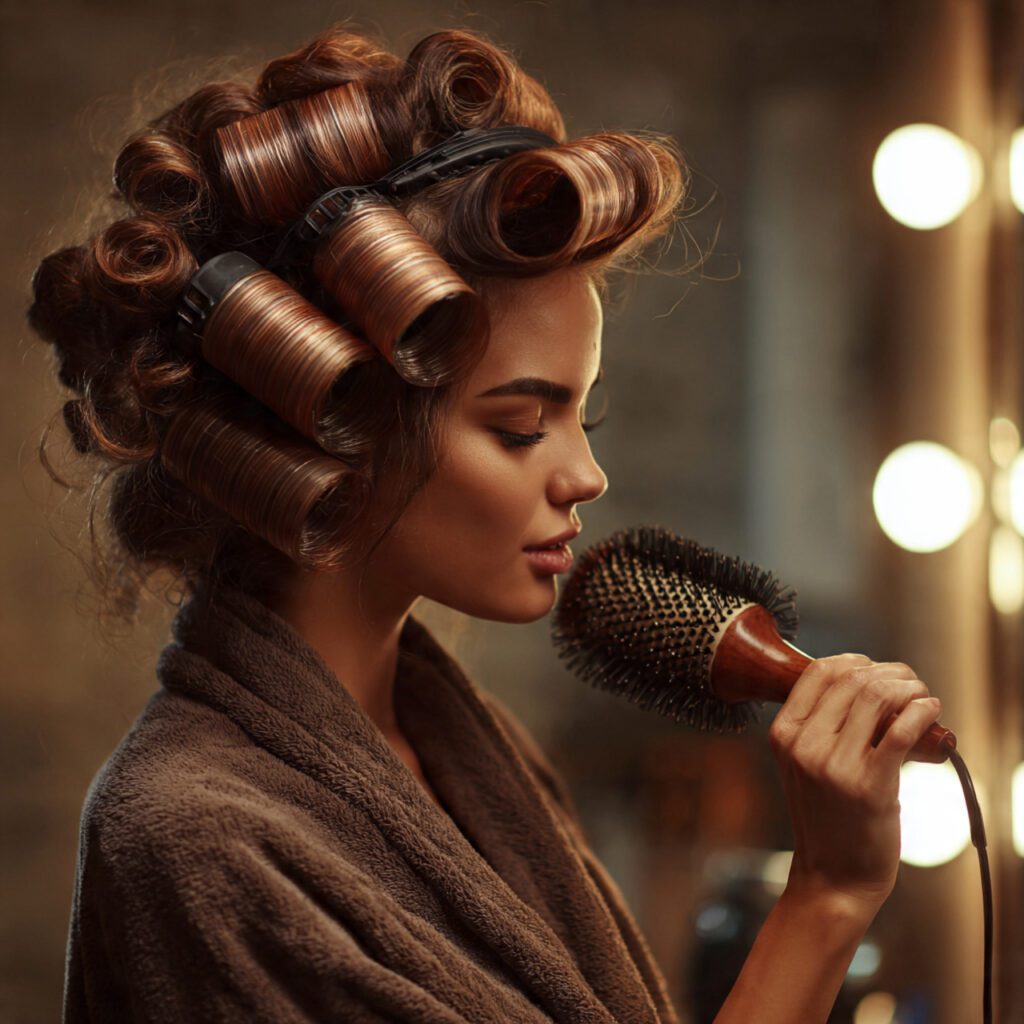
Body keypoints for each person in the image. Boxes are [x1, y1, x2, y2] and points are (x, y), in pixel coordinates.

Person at [28, 21, 944, 1024]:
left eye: (581, 415)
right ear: (332, 422)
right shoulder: (194, 837)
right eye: (518, 427)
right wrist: (825, 898)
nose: (585, 475)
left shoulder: (470, 755)